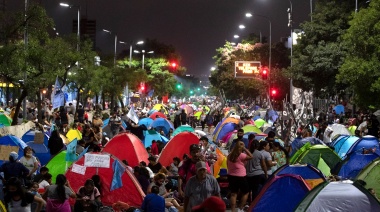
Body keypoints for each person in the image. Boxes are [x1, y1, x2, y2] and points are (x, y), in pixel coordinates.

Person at [227, 141, 253, 212]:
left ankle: (233, 210)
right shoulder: (241, 155)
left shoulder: (230, 155)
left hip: (231, 175)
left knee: (233, 193)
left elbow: (227, 165)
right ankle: (240, 208)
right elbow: (251, 156)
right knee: (246, 192)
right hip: (241, 175)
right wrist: (245, 149)